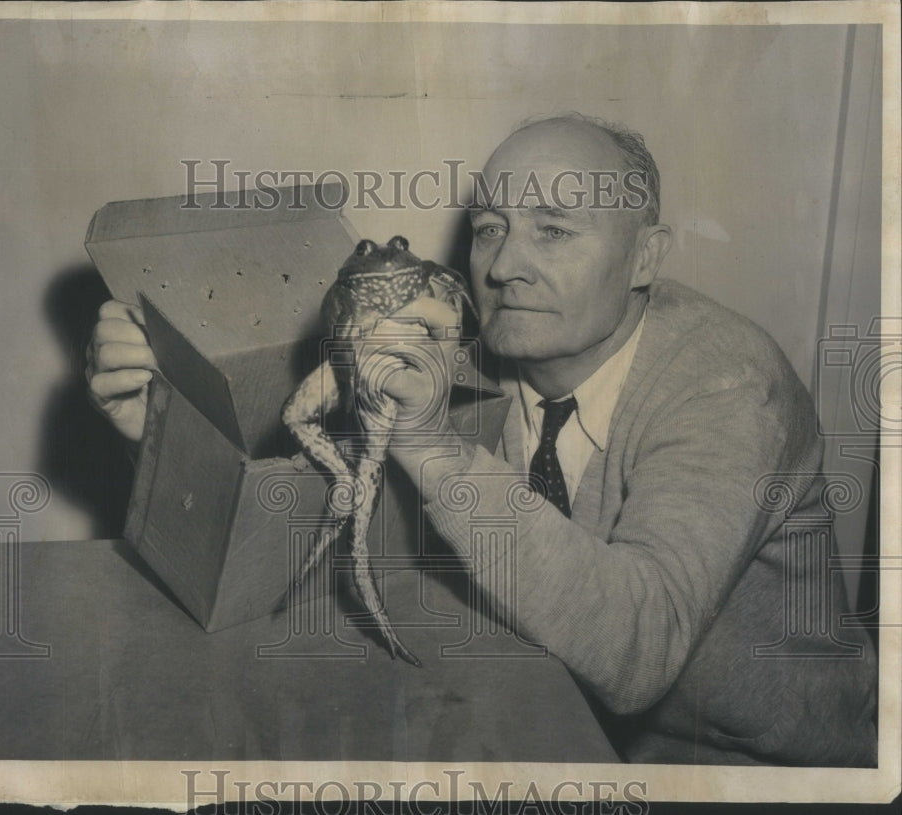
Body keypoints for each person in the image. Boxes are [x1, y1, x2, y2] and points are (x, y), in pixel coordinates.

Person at [86, 113, 877, 766]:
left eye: (554, 231)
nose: (504, 267)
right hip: (549, 712)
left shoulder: (730, 384)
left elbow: (641, 643)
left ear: (645, 257)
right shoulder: (479, 346)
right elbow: (298, 534)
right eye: (490, 227)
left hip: (757, 767)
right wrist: (161, 428)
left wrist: (431, 444)